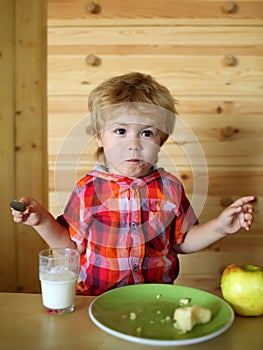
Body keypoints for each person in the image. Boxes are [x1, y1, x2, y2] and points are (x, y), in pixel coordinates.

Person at [11, 72, 255, 296]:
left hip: (155, 298)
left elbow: (183, 241)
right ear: (99, 137)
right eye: (120, 131)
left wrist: (221, 226)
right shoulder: (87, 190)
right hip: (95, 300)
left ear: (161, 140)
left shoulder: (169, 188)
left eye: (147, 133)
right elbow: (70, 246)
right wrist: (42, 221)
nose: (134, 144)